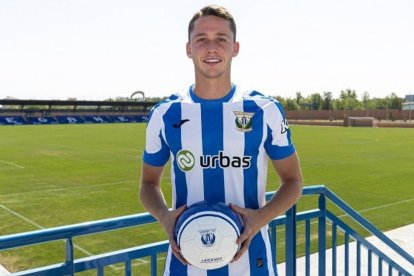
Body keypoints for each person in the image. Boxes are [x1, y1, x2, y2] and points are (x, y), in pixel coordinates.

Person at [139, 5, 303, 276]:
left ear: (235, 48)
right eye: (202, 39)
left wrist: (258, 219)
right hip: (185, 263)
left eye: (221, 39)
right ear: (189, 49)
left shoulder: (264, 110)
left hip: (254, 263)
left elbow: (294, 181)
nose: (211, 47)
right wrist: (165, 217)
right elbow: (147, 184)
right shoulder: (165, 114)